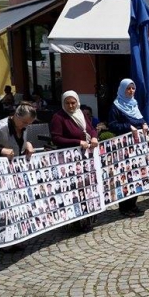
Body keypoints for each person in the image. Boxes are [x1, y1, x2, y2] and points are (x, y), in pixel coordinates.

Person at [49, 90, 99, 231]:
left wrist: (94, 137)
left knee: (87, 186)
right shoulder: (58, 117)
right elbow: (56, 138)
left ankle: (87, 219)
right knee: (74, 190)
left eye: (73, 103)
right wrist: (77, 142)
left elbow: (91, 129)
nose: (71, 106)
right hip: (69, 159)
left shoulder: (81, 114)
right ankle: (76, 221)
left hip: (85, 157)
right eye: (67, 103)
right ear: (63, 103)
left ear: (77, 102)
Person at [109, 78, 147, 217]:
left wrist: (144, 124)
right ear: (122, 89)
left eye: (133, 88)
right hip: (124, 148)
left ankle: (133, 204)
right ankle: (124, 207)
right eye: (128, 88)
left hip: (137, 148)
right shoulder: (116, 106)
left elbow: (139, 119)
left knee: (137, 175)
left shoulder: (134, 104)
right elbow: (112, 125)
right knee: (126, 177)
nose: (131, 91)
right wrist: (127, 127)